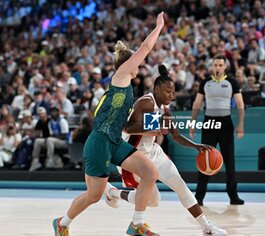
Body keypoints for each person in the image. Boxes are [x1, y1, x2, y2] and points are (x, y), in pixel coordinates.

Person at [53, 12, 165, 236]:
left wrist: (152, 127)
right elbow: (145, 48)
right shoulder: (120, 76)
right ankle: (62, 223)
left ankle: (137, 224)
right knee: (93, 195)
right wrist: (159, 26)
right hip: (98, 143)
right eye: (136, 61)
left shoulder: (128, 88)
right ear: (127, 63)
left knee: (151, 173)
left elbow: (124, 126)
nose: (139, 65)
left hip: (114, 141)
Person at [104, 65, 227, 236]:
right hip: (132, 155)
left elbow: (175, 136)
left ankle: (207, 227)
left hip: (153, 152)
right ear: (156, 89)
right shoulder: (146, 102)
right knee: (153, 201)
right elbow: (128, 127)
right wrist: (154, 127)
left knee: (181, 186)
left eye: (173, 91)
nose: (171, 95)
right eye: (167, 91)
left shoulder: (166, 111)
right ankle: (113, 192)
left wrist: (196, 146)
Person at [189, 54, 245, 206]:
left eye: (220, 65)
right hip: (209, 124)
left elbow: (240, 104)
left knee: (229, 161)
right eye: (215, 65)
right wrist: (192, 122)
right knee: (204, 159)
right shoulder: (205, 82)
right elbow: (197, 103)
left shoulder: (232, 82)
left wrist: (241, 124)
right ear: (212, 66)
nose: (218, 67)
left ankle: (233, 196)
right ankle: (199, 196)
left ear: (225, 66)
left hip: (226, 124)